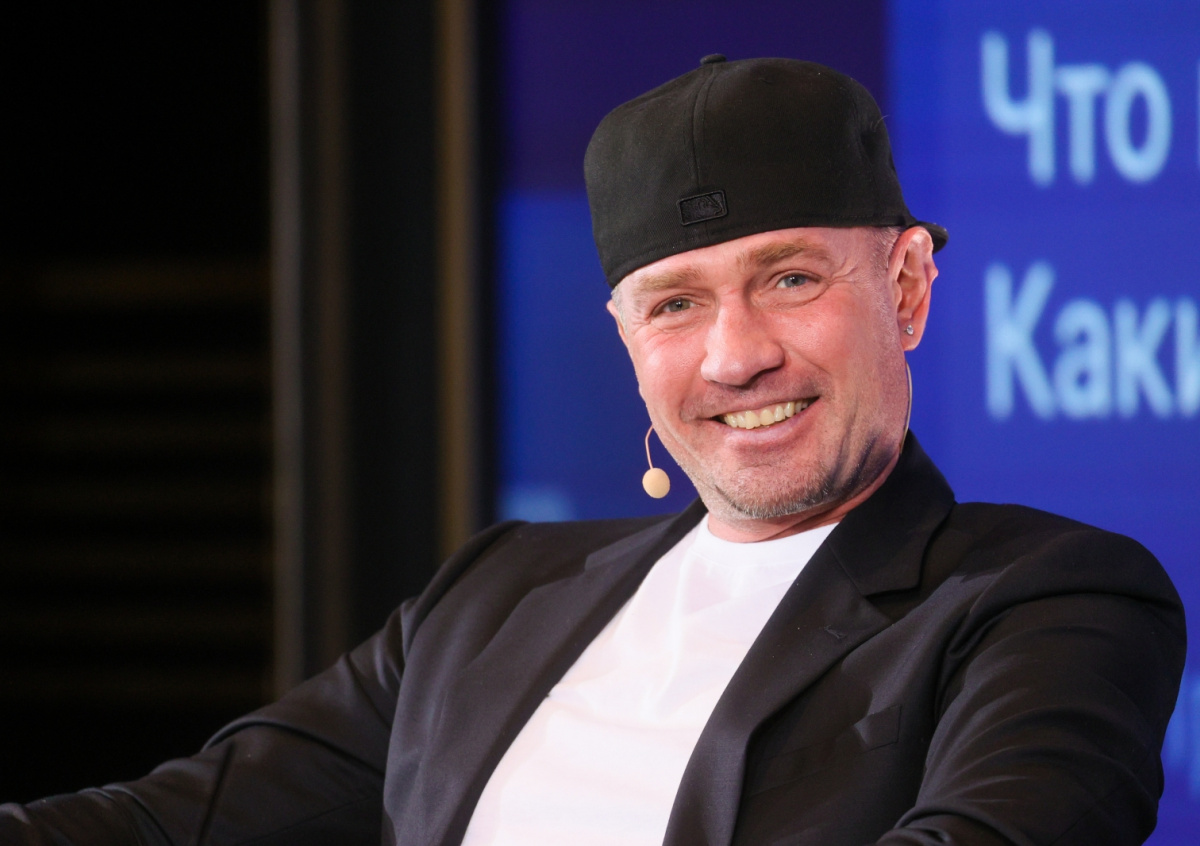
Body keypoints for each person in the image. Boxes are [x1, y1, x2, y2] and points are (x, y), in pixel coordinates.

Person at [0, 56, 1185, 846]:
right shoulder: (491, 597)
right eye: (675, 305)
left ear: (908, 288)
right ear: (625, 339)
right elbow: (169, 823)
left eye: (788, 279)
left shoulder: (1044, 599)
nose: (736, 355)